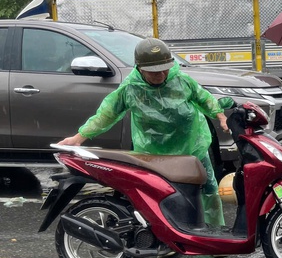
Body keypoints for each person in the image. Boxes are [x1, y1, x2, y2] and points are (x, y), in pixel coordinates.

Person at [59, 38, 231, 227]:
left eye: (165, 69)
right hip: (153, 154)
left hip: (192, 147)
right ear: (140, 69)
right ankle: (164, 235)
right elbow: (106, 115)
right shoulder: (131, 89)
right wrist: (79, 138)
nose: (161, 74)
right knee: (159, 194)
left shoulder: (182, 81)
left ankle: (213, 232)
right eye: (154, 71)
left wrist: (221, 116)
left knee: (207, 189)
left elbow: (205, 99)